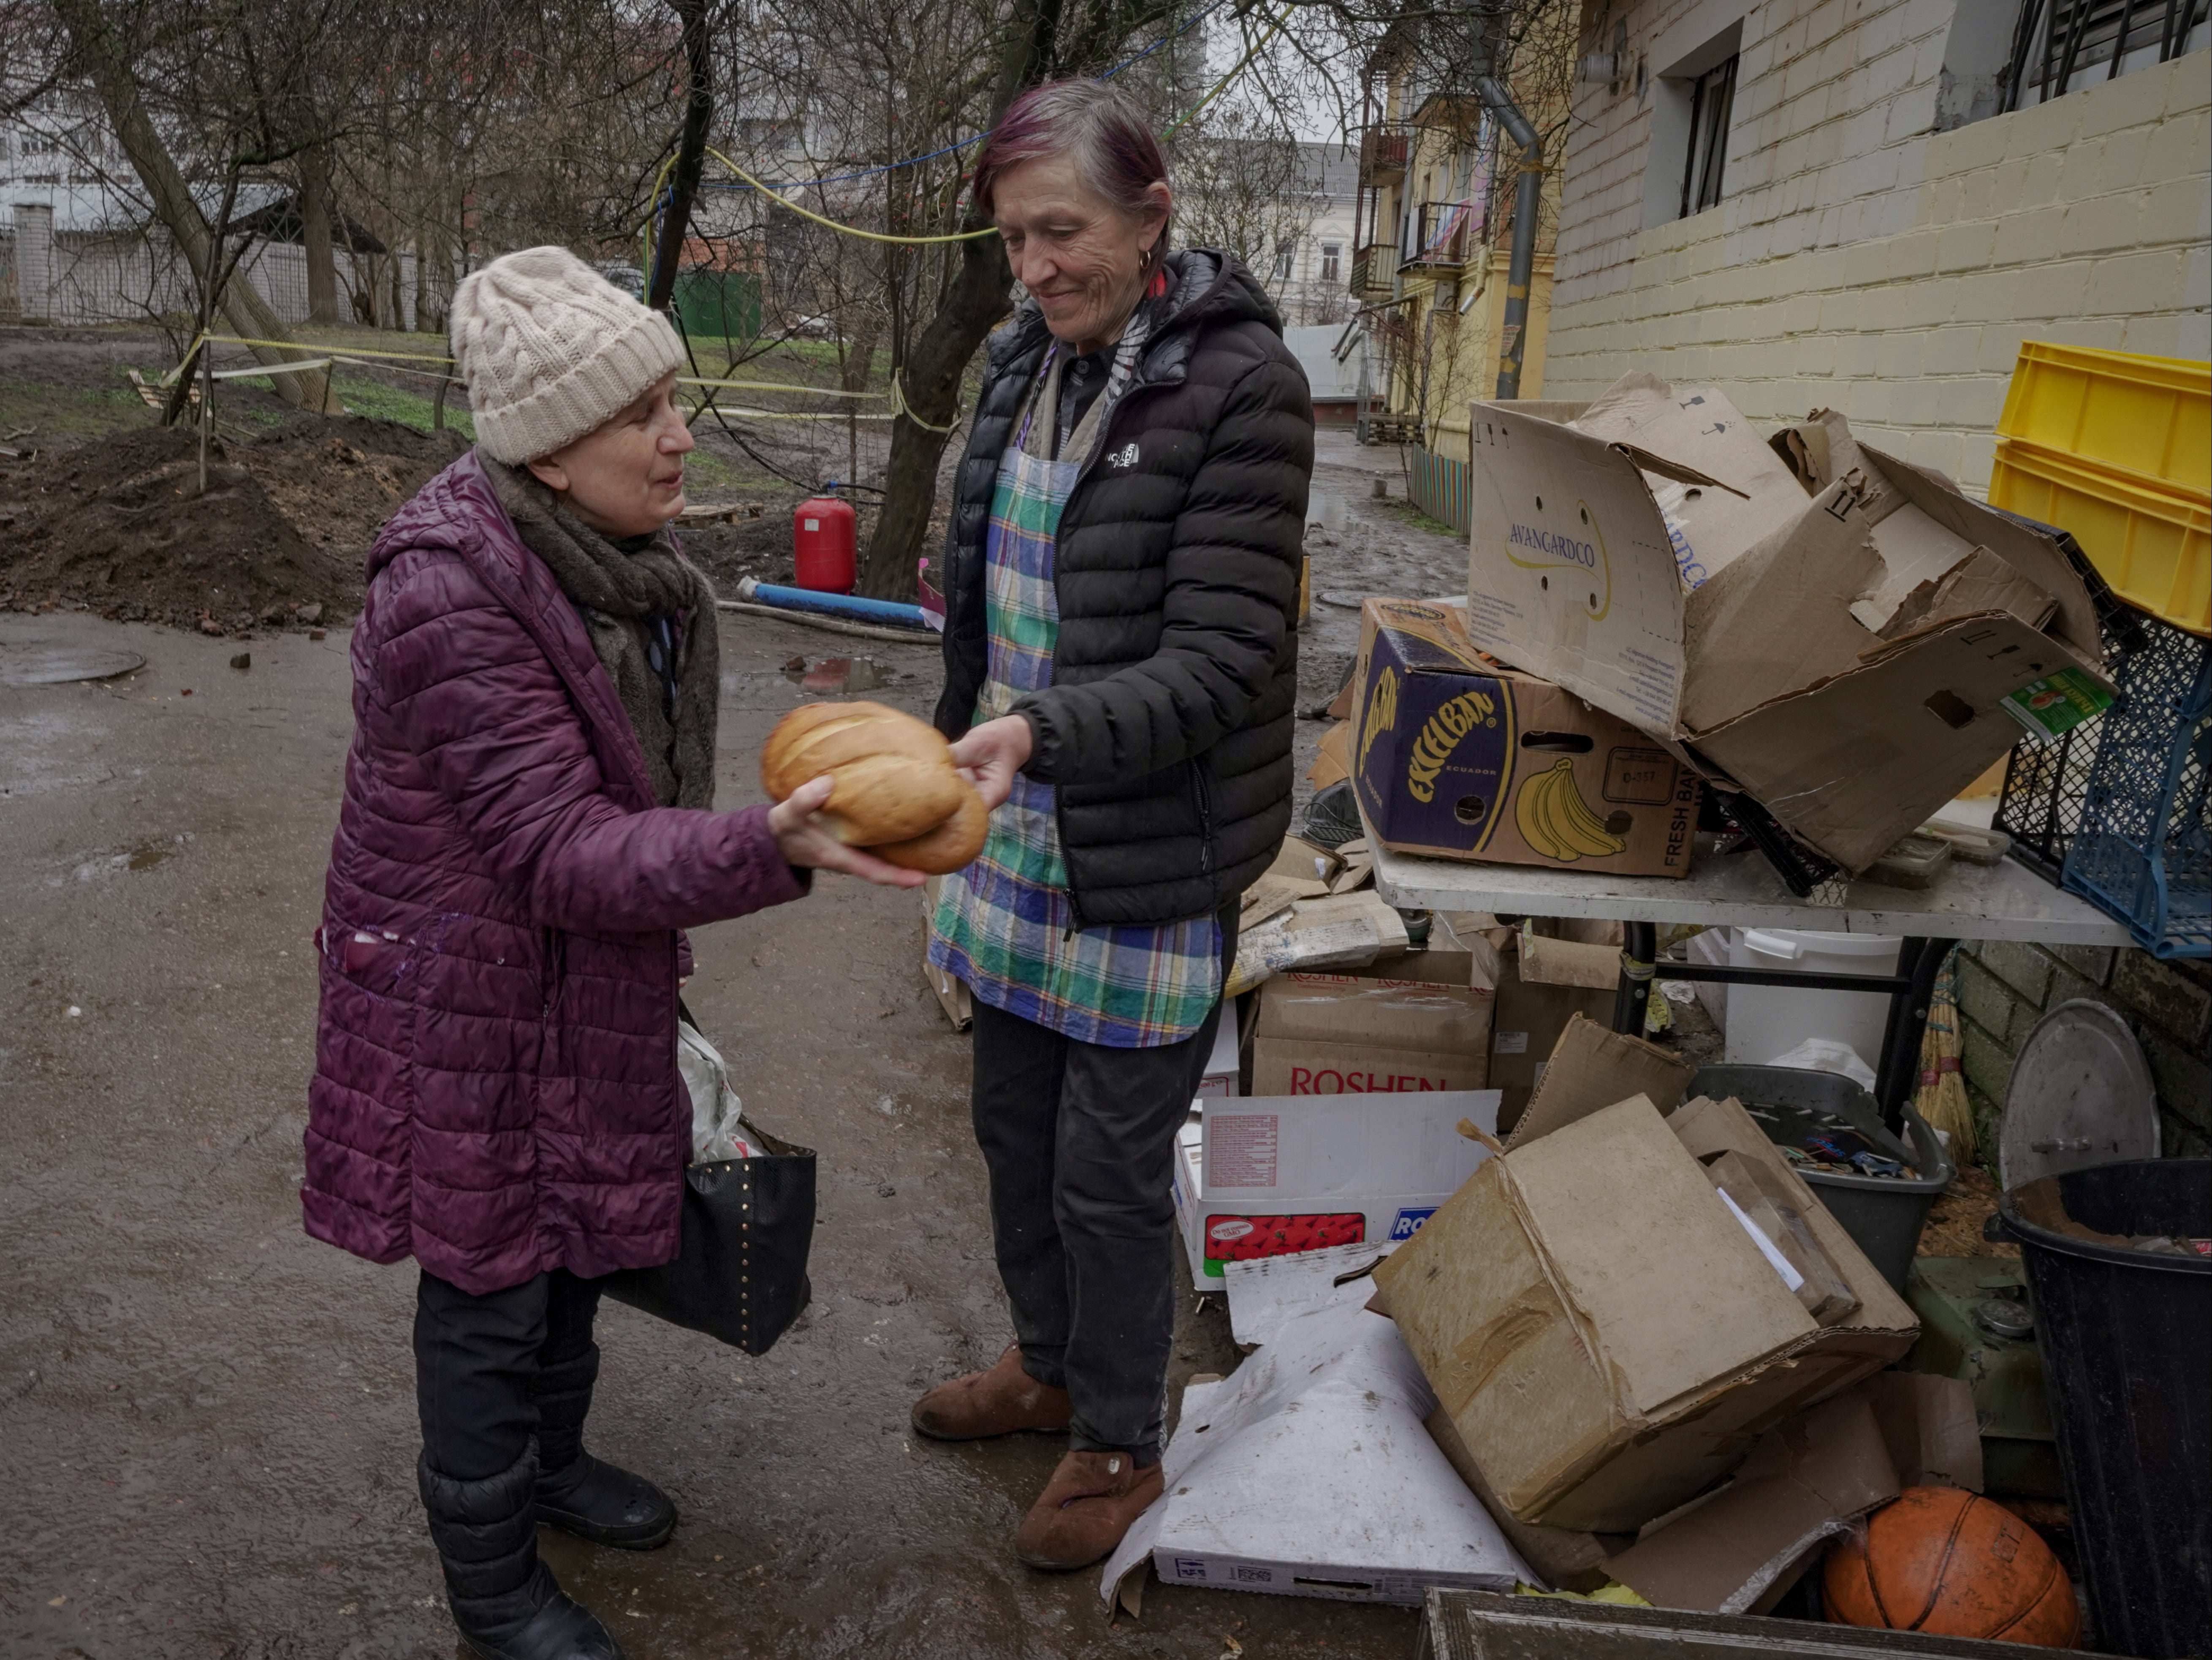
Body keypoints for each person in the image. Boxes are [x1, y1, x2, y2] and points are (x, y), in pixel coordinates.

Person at [302, 246, 919, 1660]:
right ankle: (493, 1586)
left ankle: (556, 1469)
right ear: (546, 450)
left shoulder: (614, 568)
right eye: (640, 410)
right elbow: (559, 850)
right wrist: (775, 844)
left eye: (672, 400)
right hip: (467, 1000)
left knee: (572, 1241)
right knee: (490, 1279)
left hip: (574, 980)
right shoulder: (452, 592)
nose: (680, 431)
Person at [915, 79, 1314, 1570]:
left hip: (1149, 847)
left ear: (1154, 218)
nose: (1033, 268)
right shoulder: (1028, 361)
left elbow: (1219, 666)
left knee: (1108, 1169)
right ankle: (1047, 1365)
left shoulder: (1243, 389)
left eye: (1061, 232)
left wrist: (1040, 729)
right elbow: (998, 588)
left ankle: (1121, 1441)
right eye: (1016, 238)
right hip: (1019, 820)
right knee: (1013, 1129)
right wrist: (956, 725)